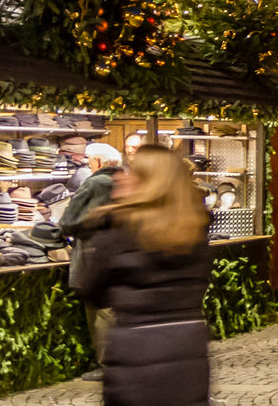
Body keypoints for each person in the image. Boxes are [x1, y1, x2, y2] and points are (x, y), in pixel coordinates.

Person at [75, 145, 212, 406]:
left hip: (135, 348)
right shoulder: (194, 229)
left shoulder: (119, 229)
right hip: (187, 344)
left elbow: (90, 290)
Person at [59, 142, 124, 379]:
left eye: (88, 160)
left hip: (95, 253)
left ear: (97, 161)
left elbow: (70, 220)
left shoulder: (95, 182)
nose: (87, 164)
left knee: (99, 311)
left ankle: (107, 366)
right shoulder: (125, 180)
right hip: (122, 252)